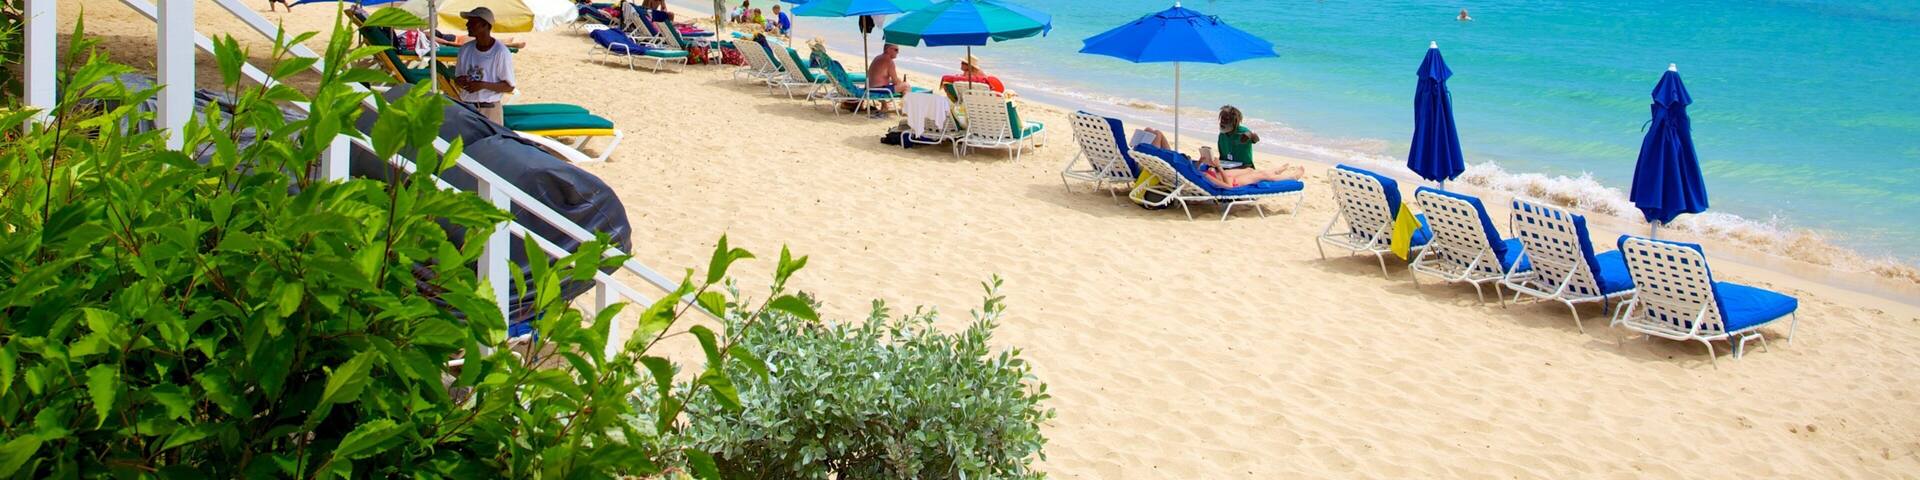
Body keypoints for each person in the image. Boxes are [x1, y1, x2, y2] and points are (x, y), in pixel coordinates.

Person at [1138, 126, 1303, 188]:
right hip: (1231, 180)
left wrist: (1202, 162)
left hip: (1222, 173)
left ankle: (1278, 169)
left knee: (1250, 169)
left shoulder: (1196, 172)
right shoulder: (1204, 177)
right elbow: (1228, 186)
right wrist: (1217, 167)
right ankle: (1292, 176)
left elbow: (1193, 172)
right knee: (1262, 175)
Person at [454, 7, 516, 125]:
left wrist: (482, 85)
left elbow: (509, 86)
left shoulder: (501, 52)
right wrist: (461, 81)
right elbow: (457, 78)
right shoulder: (465, 50)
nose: (467, 25)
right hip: (467, 107)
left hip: (490, 110)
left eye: (472, 22)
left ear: (485, 25)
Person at [866, 44, 909, 115]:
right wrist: (901, 82)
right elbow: (895, 81)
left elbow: (880, 78)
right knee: (906, 86)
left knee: (899, 84)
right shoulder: (889, 61)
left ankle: (884, 106)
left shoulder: (878, 57)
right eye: (896, 50)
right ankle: (906, 110)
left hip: (869, 88)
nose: (897, 52)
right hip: (879, 90)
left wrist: (896, 81)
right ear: (888, 50)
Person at [939, 54, 1007, 95]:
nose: (961, 64)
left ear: (970, 66)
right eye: (961, 62)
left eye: (963, 63)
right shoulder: (971, 74)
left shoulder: (971, 76)